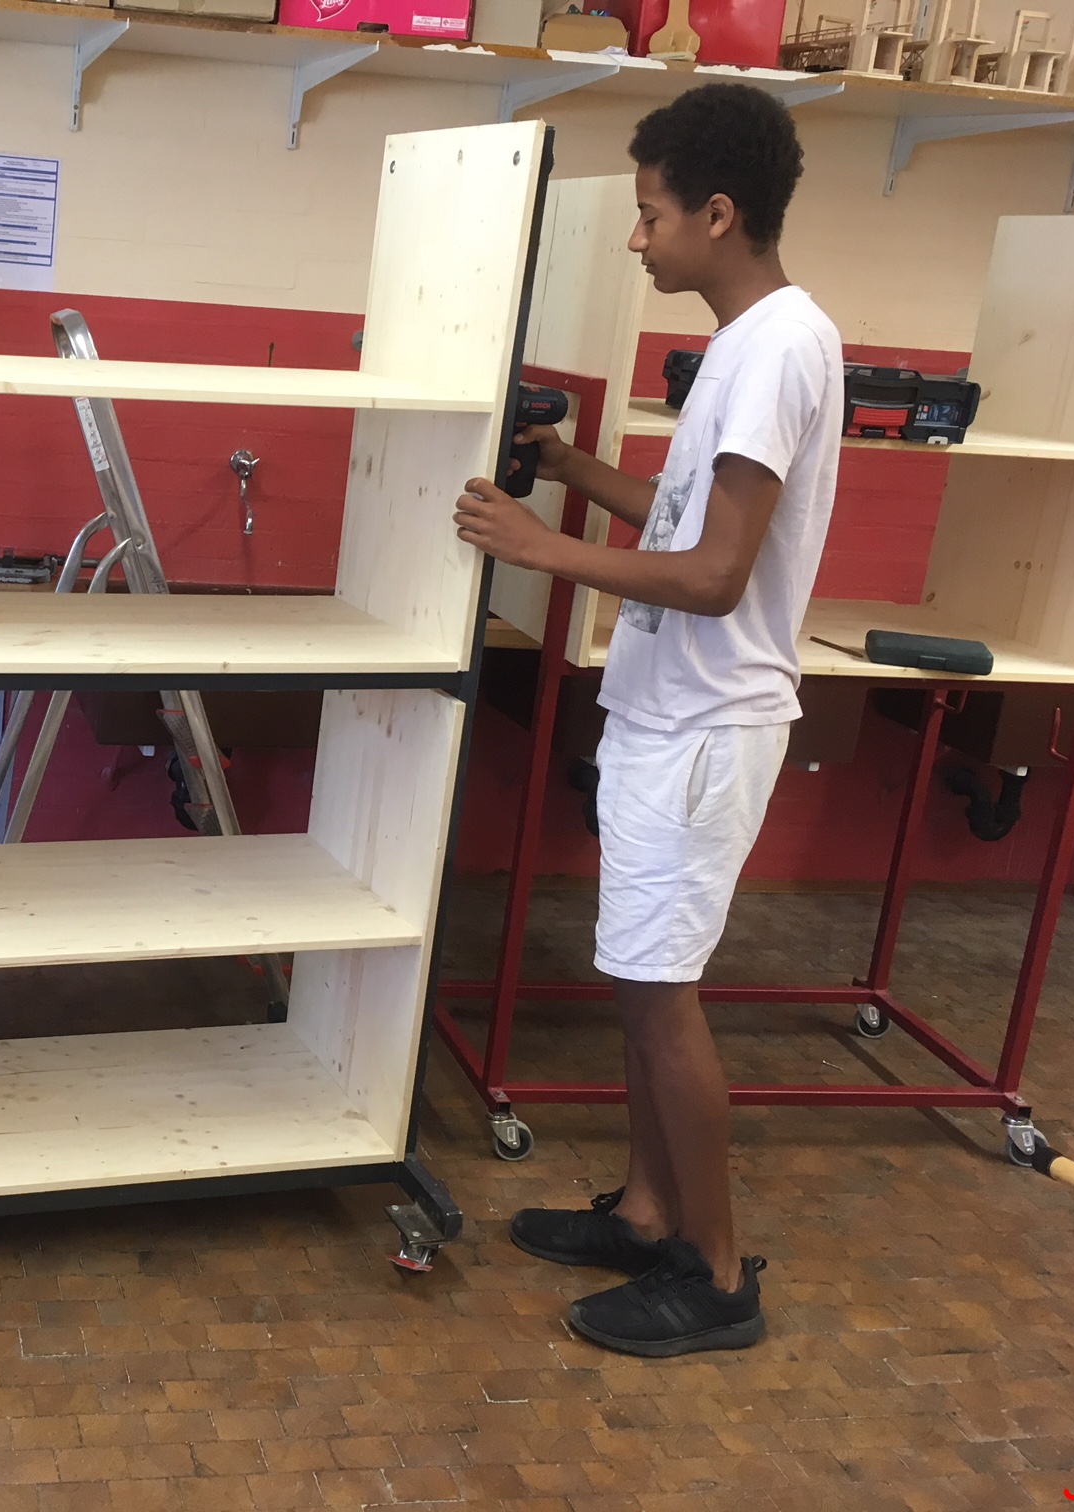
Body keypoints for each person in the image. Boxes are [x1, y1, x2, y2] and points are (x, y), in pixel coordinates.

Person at [453, 84, 841, 1357]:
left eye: (651, 214)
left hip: (707, 726)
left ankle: (717, 1276)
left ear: (718, 215)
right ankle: (646, 1211)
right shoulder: (743, 344)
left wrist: (540, 548)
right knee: (638, 981)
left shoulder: (777, 349)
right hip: (669, 712)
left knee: (662, 996)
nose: (636, 237)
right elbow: (686, 526)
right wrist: (573, 475)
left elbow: (717, 576)